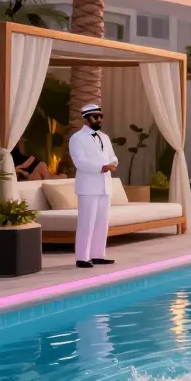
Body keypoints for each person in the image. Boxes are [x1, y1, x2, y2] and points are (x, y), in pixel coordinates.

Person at [69, 104, 119, 268]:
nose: (99, 119)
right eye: (95, 117)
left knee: (102, 222)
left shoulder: (104, 137)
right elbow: (80, 162)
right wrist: (102, 167)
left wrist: (112, 163)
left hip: (105, 185)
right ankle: (82, 257)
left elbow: (112, 156)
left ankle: (98, 255)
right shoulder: (77, 138)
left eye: (100, 116)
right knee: (86, 222)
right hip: (88, 187)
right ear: (85, 118)